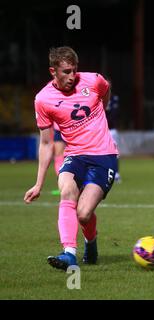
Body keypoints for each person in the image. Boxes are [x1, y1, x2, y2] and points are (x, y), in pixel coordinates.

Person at [24, 46, 118, 271]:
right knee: (66, 190)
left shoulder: (93, 81)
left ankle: (91, 242)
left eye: (74, 70)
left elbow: (106, 89)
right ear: (52, 71)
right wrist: (38, 184)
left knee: (84, 215)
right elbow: (46, 143)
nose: (71, 76)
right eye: (66, 71)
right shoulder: (43, 99)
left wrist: (101, 108)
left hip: (103, 155)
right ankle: (69, 254)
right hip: (75, 155)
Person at [106, 94, 122, 182]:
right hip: (101, 130)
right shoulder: (98, 97)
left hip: (112, 130)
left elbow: (115, 113)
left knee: (114, 152)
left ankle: (116, 174)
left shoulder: (113, 98)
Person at [50, 123, 66, 196]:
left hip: (75, 127)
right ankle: (62, 186)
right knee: (58, 157)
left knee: (79, 154)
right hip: (59, 129)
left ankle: (84, 183)